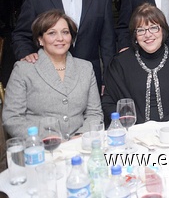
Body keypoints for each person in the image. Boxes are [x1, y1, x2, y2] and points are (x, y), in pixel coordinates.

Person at [11, 0, 116, 90]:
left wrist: (109, 79)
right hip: (46, 77)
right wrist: (26, 54)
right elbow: (21, 34)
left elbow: (108, 43)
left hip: (90, 79)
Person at [3, 10, 103, 139]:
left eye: (65, 32)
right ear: (40, 39)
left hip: (79, 145)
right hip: (39, 148)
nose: (60, 38)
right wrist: (44, 138)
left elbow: (94, 113)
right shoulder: (24, 69)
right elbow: (12, 118)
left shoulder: (85, 68)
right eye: (52, 33)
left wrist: (81, 136)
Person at [102, 3, 169, 125]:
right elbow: (108, 103)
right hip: (132, 133)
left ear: (163, 31)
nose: (148, 35)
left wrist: (164, 127)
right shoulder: (119, 63)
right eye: (141, 30)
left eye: (154, 28)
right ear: (135, 36)